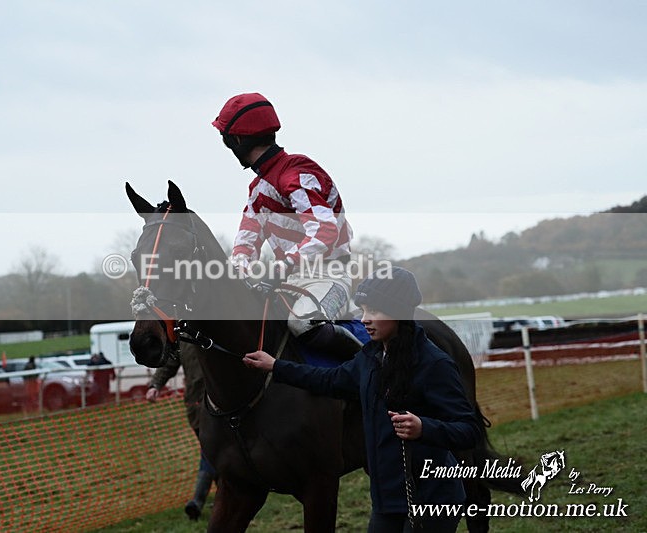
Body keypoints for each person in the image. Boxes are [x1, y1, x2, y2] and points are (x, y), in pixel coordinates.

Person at [242, 267, 482, 533]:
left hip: (432, 500)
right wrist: (276, 366)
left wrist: (424, 428)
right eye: (363, 310)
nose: (365, 319)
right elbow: (328, 380)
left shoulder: (435, 363)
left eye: (374, 311)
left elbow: (468, 430)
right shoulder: (369, 358)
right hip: (386, 502)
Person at [212, 92, 361, 358]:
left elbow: (324, 231)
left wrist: (280, 267)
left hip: (328, 276)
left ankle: (372, 366)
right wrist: (234, 276)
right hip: (289, 282)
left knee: (302, 323)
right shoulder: (258, 189)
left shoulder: (297, 172)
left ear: (236, 140)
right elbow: (246, 242)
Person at [146, 344, 215, 521]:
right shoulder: (182, 337)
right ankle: (225, 495)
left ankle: (197, 501)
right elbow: (170, 360)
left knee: (211, 451)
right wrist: (155, 384)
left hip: (218, 402)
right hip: (195, 403)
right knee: (212, 453)